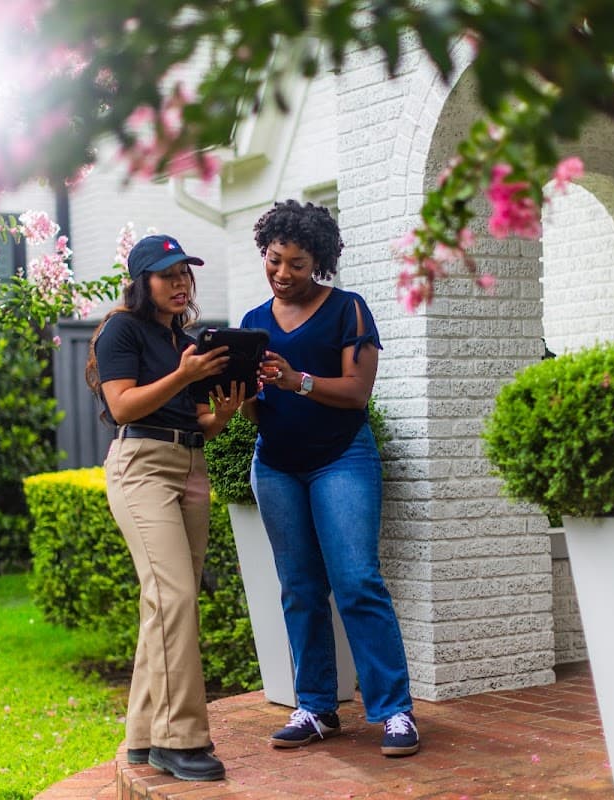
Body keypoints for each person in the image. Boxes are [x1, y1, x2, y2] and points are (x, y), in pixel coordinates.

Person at [239, 200, 420, 757]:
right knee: (299, 588)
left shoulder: (348, 310)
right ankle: (316, 707)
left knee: (357, 581)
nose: (282, 273)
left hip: (341, 459)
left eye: (296, 263)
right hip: (276, 466)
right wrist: (244, 392)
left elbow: (356, 392)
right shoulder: (252, 324)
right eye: (274, 260)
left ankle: (395, 712)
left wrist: (296, 380)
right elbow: (254, 413)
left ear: (317, 261)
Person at [86, 233, 245, 782]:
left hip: (190, 465)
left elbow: (197, 420)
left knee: (168, 603)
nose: (181, 283)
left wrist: (222, 415)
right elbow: (123, 405)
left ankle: (142, 735)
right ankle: (179, 741)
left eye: (185, 273)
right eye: (168, 274)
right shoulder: (121, 330)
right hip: (142, 467)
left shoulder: (186, 340)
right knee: (173, 597)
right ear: (142, 282)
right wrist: (183, 374)